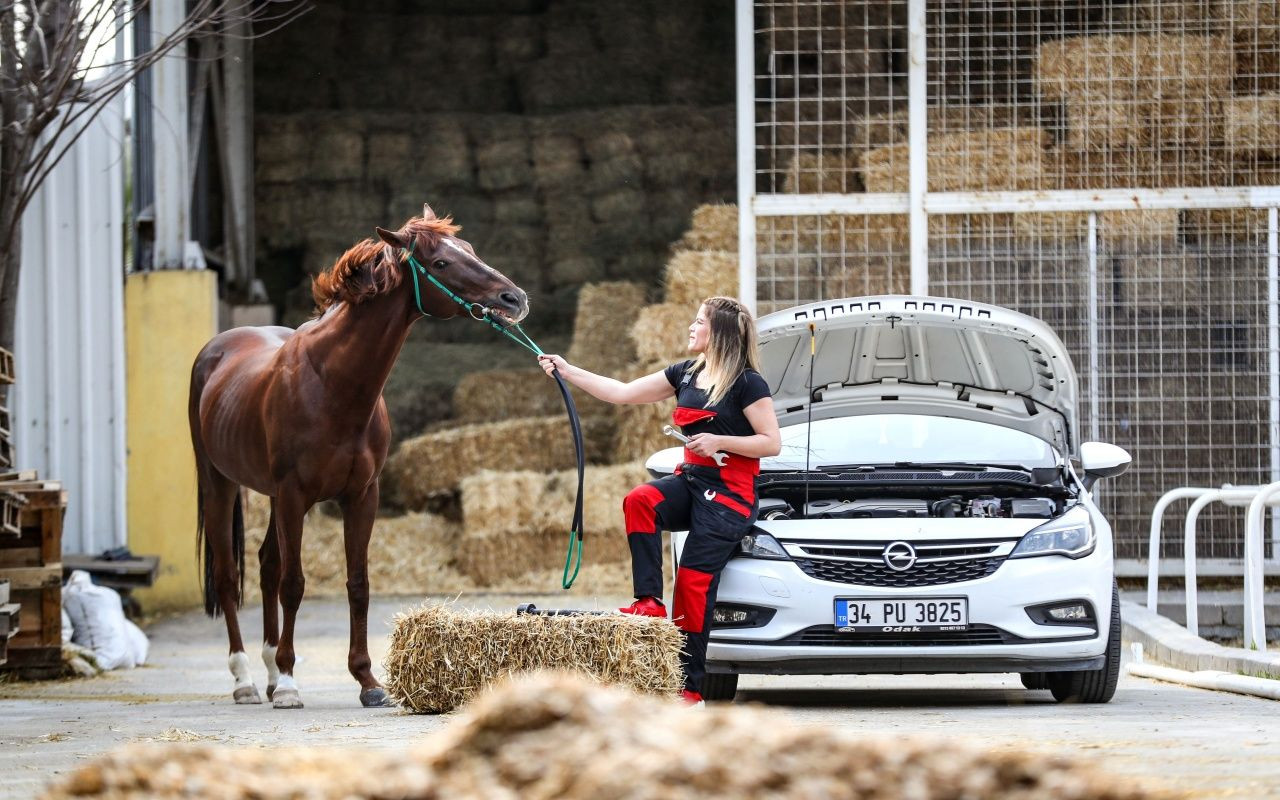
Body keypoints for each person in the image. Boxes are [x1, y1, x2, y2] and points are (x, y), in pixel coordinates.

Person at [538, 295, 781, 705]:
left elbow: (771, 443)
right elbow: (621, 392)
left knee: (691, 584)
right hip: (692, 482)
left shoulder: (747, 382)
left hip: (729, 497)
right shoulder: (685, 374)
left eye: (699, 321)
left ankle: (690, 689)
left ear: (717, 332)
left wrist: (721, 440)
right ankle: (648, 602)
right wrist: (567, 370)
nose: (691, 326)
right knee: (640, 500)